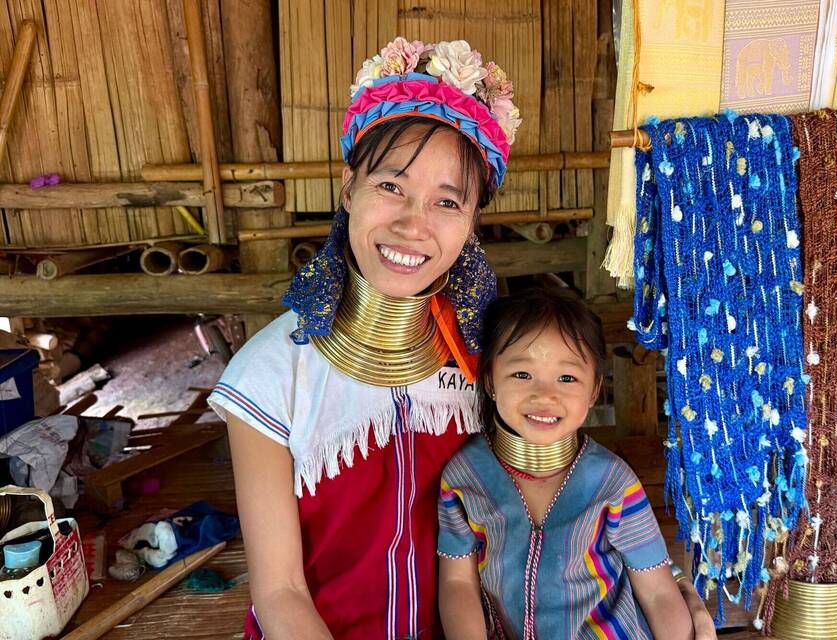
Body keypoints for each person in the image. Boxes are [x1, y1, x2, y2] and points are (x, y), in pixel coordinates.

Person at [209, 37, 715, 640]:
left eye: (447, 201)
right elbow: (280, 591)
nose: (412, 224)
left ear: (473, 219)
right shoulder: (268, 375)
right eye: (391, 186)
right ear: (349, 187)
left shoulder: (492, 358)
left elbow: (557, 498)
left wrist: (662, 593)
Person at [437, 288, 701, 640]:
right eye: (521, 374)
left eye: (567, 378)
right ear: (489, 381)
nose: (545, 395)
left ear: (593, 391)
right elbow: (458, 582)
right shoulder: (464, 477)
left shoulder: (612, 482)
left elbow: (657, 589)